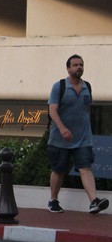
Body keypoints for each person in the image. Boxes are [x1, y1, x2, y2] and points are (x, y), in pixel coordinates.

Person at [46, 54, 108, 214]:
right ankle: (53, 200)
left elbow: (87, 109)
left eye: (81, 64)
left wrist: (87, 129)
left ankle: (94, 201)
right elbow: (52, 110)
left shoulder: (87, 86)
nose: (79, 67)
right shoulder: (59, 86)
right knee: (59, 170)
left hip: (83, 139)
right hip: (61, 139)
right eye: (75, 65)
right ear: (68, 68)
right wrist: (62, 128)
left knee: (85, 167)